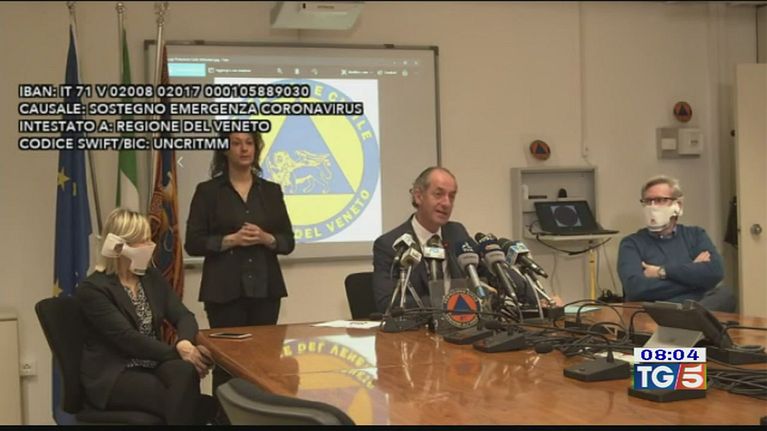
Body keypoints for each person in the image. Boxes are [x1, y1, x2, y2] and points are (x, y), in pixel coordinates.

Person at [76, 208, 215, 425]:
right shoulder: (93, 289)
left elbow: (183, 315)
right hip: (115, 372)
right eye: (144, 240)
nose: (151, 245)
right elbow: (128, 339)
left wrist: (185, 343)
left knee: (185, 373)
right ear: (122, 246)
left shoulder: (150, 277)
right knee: (188, 403)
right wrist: (180, 353)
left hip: (154, 363)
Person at [185, 131, 295, 394]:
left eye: (249, 143)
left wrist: (266, 238)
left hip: (265, 290)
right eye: (236, 143)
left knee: (266, 360)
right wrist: (230, 240)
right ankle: (224, 413)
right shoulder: (208, 191)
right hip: (224, 291)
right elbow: (193, 243)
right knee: (228, 363)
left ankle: (264, 413)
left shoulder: (270, 191)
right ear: (225, 150)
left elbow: (288, 241)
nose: (244, 149)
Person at [617, 175, 736, 312]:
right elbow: (636, 289)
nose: (652, 206)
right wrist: (694, 275)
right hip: (657, 310)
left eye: (660, 200)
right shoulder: (631, 244)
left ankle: (687, 319)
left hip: (697, 306)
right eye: (648, 201)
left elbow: (716, 271)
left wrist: (662, 272)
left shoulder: (696, 235)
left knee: (725, 294)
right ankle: (689, 319)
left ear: (677, 205)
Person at [372, 166, 474, 313]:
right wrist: (445, 302)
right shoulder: (390, 244)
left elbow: (481, 278)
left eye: (451, 196)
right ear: (418, 196)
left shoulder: (457, 233)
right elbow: (386, 302)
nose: (446, 203)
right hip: (419, 324)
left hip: (461, 321)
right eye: (438, 194)